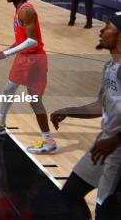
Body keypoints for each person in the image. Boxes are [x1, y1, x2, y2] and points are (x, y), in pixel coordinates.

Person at [51, 16, 120, 220]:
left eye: (107, 27)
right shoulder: (110, 66)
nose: (101, 31)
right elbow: (100, 105)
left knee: (106, 211)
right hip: (105, 144)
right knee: (70, 194)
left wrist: (116, 140)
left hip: (116, 148)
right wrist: (69, 110)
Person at [0, 0, 57, 155]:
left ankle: (48, 141)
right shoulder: (20, 10)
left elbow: (32, 41)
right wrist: (5, 51)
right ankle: (0, 124)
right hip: (25, 58)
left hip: (33, 60)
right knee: (9, 89)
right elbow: (21, 40)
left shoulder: (26, 11)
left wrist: (5, 54)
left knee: (35, 101)